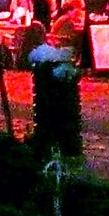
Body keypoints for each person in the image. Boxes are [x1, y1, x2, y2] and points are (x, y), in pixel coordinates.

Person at [28, 29, 84, 162]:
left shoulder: (41, 55)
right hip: (63, 99)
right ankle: (68, 146)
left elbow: (33, 58)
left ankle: (48, 143)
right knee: (65, 117)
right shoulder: (64, 60)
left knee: (48, 116)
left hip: (48, 96)